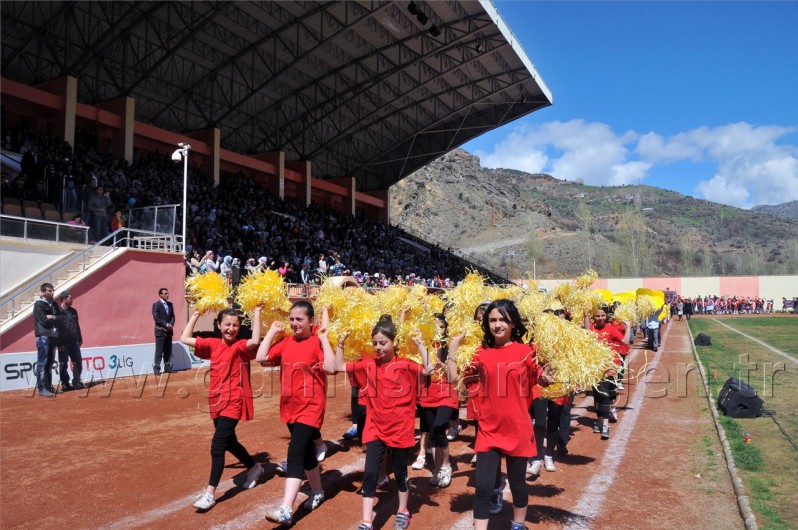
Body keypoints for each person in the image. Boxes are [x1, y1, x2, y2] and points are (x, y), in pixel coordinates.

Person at [320, 315, 434, 530]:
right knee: (371, 473)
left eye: (383, 343)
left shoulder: (406, 365)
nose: (378, 347)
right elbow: (338, 366)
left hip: (400, 428)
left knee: (400, 472)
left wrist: (420, 345)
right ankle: (366, 521)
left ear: (394, 343)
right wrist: (341, 344)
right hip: (375, 427)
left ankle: (403, 510)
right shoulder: (369, 365)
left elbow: (429, 371)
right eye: (375, 343)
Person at [449, 299, 552, 530]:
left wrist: (549, 376)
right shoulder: (479, 354)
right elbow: (453, 379)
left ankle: (518, 524)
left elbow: (543, 378)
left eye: (503, 320)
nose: (497, 325)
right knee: (484, 487)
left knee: (517, 485)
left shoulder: (526, 352)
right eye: (493, 320)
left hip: (517, 428)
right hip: (488, 430)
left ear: (513, 323)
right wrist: (454, 348)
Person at [180, 306, 265, 511]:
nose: (231, 328)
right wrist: (197, 315)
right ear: (219, 325)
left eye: (235, 325)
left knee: (217, 444)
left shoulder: (240, 346)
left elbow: (254, 342)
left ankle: (210, 494)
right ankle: (255, 468)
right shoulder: (212, 344)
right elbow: (184, 338)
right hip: (216, 400)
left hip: (234, 400)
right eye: (227, 324)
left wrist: (256, 313)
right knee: (230, 442)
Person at [257, 301, 329, 525]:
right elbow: (261, 358)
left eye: (300, 319)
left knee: (295, 451)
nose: (295, 324)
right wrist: (271, 332)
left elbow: (330, 366)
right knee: (307, 452)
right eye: (292, 319)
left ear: (311, 322)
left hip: (311, 407)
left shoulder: (317, 341)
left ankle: (286, 509)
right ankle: (317, 490)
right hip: (289, 407)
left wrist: (325, 337)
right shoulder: (286, 342)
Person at [417, 312, 458, 488]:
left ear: (446, 328)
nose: (438, 330)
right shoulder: (423, 346)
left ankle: (446, 466)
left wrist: (446, 366)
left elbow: (453, 377)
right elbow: (426, 371)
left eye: (441, 326)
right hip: (428, 394)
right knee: (433, 433)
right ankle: (436, 468)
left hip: (447, 393)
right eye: (434, 326)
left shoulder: (451, 346)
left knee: (440, 427)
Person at [585, 307, 630, 440]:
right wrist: (586, 316)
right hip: (594, 368)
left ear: (606, 316)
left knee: (604, 395)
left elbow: (625, 341)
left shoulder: (610, 329)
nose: (600, 318)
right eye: (597, 316)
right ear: (594, 317)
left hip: (608, 368)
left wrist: (629, 327)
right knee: (597, 396)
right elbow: (587, 333)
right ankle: (599, 421)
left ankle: (605, 425)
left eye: (602, 315)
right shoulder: (591, 328)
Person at [33, 283, 60, 397]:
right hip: (43, 335)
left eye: (52, 290)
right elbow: (43, 321)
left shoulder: (54, 304)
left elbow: (60, 318)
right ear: (43, 292)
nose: (52, 292)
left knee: (49, 363)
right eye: (49, 291)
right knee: (42, 362)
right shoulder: (38, 304)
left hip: (53, 335)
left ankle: (49, 387)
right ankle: (41, 388)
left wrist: (52, 317)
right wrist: (51, 317)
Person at [55, 291, 84, 391]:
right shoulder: (56, 312)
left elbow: (77, 326)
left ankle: (76, 381)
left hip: (74, 342)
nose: (72, 300)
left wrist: (79, 338)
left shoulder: (73, 311)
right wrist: (58, 343)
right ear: (64, 299)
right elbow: (55, 329)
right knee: (63, 364)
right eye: (70, 298)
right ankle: (65, 383)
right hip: (63, 343)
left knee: (78, 362)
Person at [152, 288, 175, 375]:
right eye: (165, 293)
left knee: (168, 350)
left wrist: (171, 324)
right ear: (160, 295)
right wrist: (166, 324)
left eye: (168, 293)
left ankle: (167, 368)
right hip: (160, 331)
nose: (167, 295)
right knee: (159, 351)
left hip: (169, 331)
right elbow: (156, 318)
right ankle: (157, 369)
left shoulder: (170, 304)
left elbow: (173, 316)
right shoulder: (156, 305)